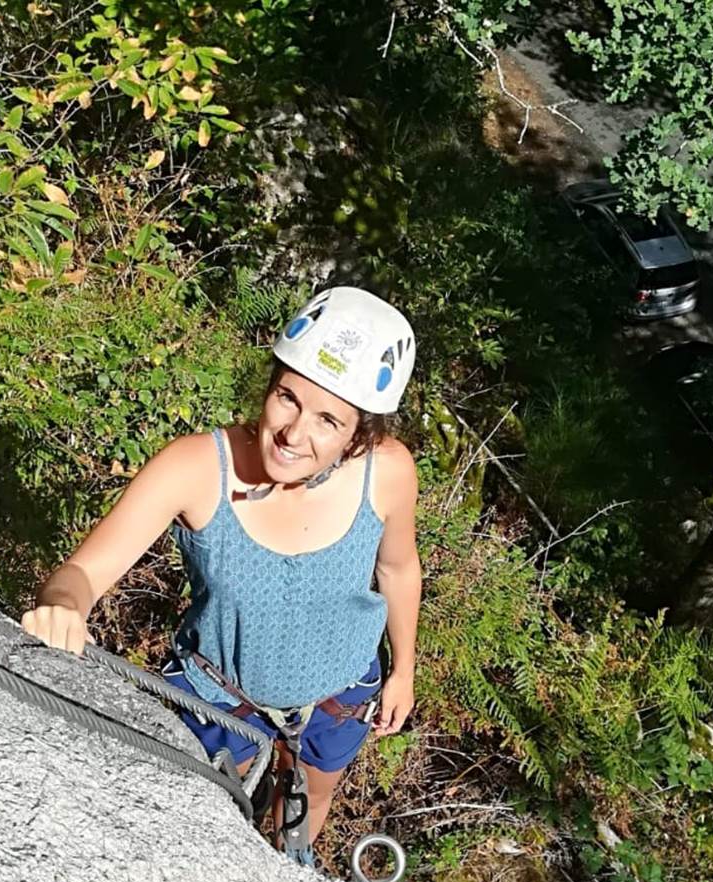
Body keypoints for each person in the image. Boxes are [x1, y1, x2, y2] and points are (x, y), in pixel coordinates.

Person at [21, 287, 422, 848]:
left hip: (342, 694)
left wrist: (403, 669)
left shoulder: (387, 473)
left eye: (328, 420)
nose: (293, 433)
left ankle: (287, 873)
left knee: (311, 799)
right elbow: (82, 573)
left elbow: (399, 569)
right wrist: (63, 606)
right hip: (218, 701)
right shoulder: (197, 468)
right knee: (199, 829)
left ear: (360, 436)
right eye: (288, 398)